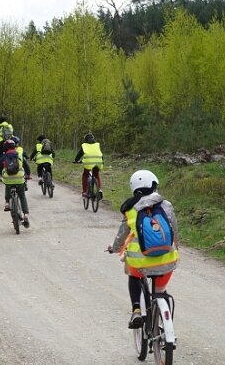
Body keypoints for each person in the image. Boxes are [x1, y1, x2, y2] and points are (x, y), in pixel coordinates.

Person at [107, 170, 179, 329]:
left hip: (139, 264)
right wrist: (176, 247)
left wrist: (114, 248)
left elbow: (121, 235)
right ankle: (165, 324)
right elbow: (174, 230)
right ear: (154, 184)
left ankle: (137, 310)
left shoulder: (130, 209)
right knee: (161, 290)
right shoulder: (166, 205)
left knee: (132, 275)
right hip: (167, 262)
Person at [0, 139, 31, 227]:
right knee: (22, 196)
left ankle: (7, 202)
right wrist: (28, 174)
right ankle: (26, 214)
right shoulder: (19, 155)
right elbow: (26, 166)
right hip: (19, 178)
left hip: (8, 178)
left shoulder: (4, 157)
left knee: (8, 185)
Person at [73, 132, 103, 198]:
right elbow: (100, 154)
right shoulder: (97, 145)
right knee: (96, 174)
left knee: (85, 175)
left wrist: (76, 160)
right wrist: (102, 162)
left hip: (88, 163)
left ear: (85, 140)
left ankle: (84, 192)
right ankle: (100, 189)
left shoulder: (84, 145)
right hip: (98, 162)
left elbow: (79, 155)